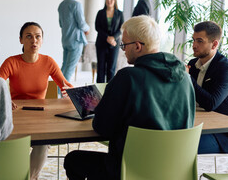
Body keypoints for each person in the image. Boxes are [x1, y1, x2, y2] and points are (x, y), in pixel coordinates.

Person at [64, 15, 195, 180]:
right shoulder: (185, 78)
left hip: (129, 170)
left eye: (124, 45)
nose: (123, 49)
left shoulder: (128, 78)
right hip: (174, 169)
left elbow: (102, 127)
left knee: (73, 160)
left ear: (138, 46)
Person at [0, 22, 72, 180]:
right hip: (16, 116)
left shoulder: (48, 62)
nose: (34, 41)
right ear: (21, 40)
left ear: (42, 40)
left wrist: (74, 93)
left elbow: (65, 85)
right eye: (29, 37)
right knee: (11, 145)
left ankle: (28, 177)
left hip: (40, 118)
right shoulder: (11, 62)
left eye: (38, 37)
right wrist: (4, 99)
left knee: (43, 143)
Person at [186, 21, 228, 154]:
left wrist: (187, 78)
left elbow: (211, 103)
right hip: (198, 124)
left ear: (215, 44)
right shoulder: (193, 64)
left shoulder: (225, 69)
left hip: (222, 134)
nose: (194, 45)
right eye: (193, 40)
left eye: (200, 41)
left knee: (180, 146)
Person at [58, 0, 90, 82]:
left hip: (65, 40)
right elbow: (81, 24)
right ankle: (63, 94)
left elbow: (61, 24)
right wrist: (88, 29)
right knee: (70, 70)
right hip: (76, 41)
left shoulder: (61, 5)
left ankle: (58, 92)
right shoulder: (76, 4)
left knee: (64, 67)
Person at [95, 0, 124, 83]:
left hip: (114, 44)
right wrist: (107, 37)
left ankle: (109, 91)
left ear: (114, 1)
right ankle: (99, 92)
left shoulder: (119, 13)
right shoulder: (100, 13)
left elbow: (121, 28)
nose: (109, 0)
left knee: (111, 69)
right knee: (101, 68)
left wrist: (113, 38)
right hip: (101, 43)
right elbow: (97, 27)